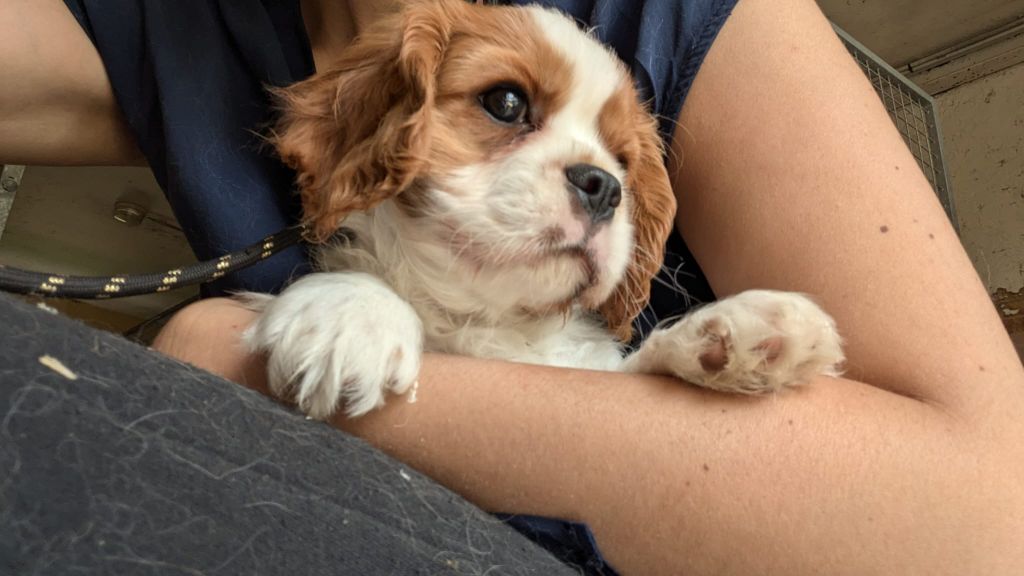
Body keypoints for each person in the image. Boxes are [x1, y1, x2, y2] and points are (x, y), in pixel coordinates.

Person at [3, 0, 1023, 574]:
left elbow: (984, 521)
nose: (596, 178)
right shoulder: (185, 31)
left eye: (620, 166)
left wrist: (229, 349)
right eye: (508, 105)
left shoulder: (688, 20)